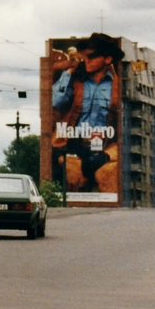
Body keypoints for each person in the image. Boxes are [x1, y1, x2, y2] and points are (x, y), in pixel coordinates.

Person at [51, 32, 123, 194]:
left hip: (103, 148)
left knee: (107, 180)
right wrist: (69, 71)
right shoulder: (76, 79)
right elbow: (55, 102)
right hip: (73, 145)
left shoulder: (117, 85)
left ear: (107, 59)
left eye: (92, 56)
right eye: (85, 56)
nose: (87, 60)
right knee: (73, 183)